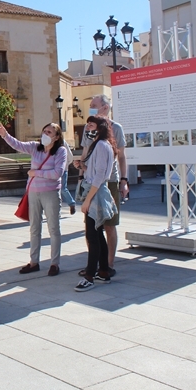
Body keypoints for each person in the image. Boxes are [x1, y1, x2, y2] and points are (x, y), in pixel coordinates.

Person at [0, 122, 67, 276]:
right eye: (44, 131)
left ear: (57, 137)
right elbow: (18, 145)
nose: (45, 134)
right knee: (34, 228)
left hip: (50, 193)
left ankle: (54, 263)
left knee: (53, 229)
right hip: (33, 193)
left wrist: (36, 173)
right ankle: (34, 262)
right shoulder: (35, 147)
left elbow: (57, 173)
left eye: (50, 132)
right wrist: (5, 135)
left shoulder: (60, 151)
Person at [74, 94, 126, 276]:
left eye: (94, 105)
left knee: (108, 225)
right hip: (91, 181)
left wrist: (124, 181)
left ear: (105, 107)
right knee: (92, 227)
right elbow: (86, 152)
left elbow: (121, 157)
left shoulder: (114, 130)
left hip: (107, 182)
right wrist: (81, 173)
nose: (91, 107)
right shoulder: (91, 130)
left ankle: (108, 265)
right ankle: (96, 263)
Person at [74, 116, 118, 292]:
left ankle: (90, 276)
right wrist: (83, 167)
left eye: (91, 124)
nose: (87, 128)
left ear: (100, 127)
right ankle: (104, 271)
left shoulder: (100, 145)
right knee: (98, 234)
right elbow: (96, 171)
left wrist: (88, 200)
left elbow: (100, 175)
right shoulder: (100, 145)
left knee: (92, 236)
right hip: (96, 189)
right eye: (87, 124)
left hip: (96, 192)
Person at [61, 142, 76, 215]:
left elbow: (70, 156)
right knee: (56, 190)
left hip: (63, 169)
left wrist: (65, 164)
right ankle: (56, 208)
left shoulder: (62, 142)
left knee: (63, 188)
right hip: (52, 170)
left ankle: (71, 203)